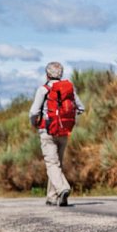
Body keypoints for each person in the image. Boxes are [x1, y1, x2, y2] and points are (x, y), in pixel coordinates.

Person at [29, 61, 85, 207]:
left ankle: (62, 188)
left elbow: (34, 111)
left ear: (47, 74)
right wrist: (67, 117)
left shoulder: (43, 89)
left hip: (47, 131)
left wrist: (34, 122)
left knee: (52, 164)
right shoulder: (69, 89)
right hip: (64, 131)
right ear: (61, 74)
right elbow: (81, 108)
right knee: (57, 164)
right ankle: (51, 197)